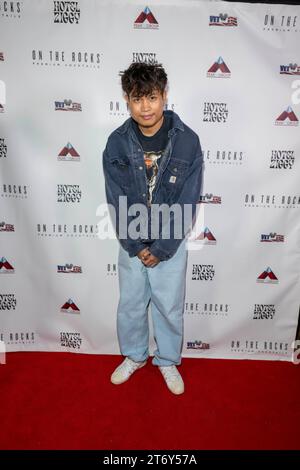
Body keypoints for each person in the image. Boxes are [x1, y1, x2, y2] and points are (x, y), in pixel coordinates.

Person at [102, 62, 203, 395]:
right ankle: (133, 356)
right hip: (131, 243)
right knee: (130, 304)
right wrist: (136, 245)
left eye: (152, 97)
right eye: (136, 98)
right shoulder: (116, 143)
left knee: (169, 305)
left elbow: (189, 199)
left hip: (169, 242)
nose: (145, 106)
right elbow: (115, 199)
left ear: (165, 97)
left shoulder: (188, 142)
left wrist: (161, 248)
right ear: (127, 101)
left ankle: (168, 360)